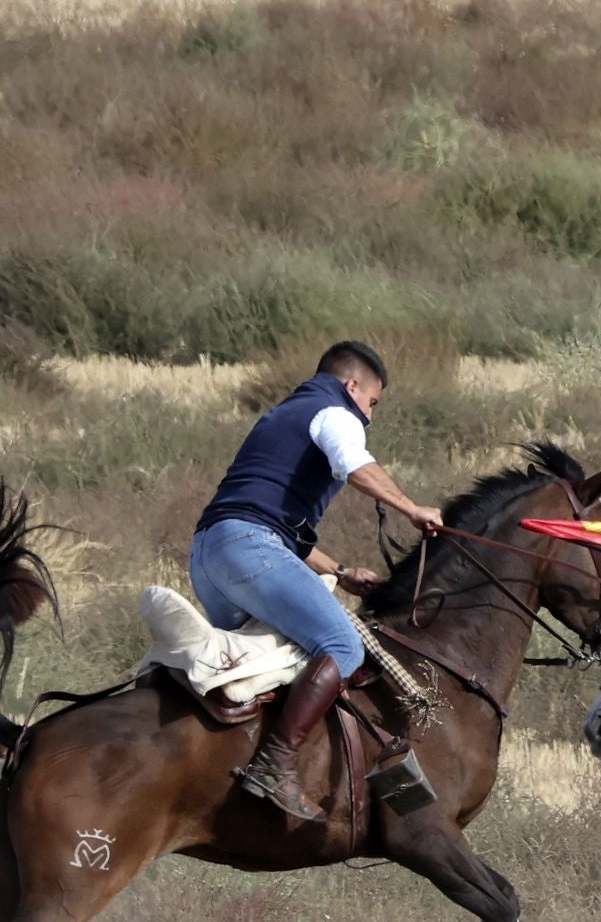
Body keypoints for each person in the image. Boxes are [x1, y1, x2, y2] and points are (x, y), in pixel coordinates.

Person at [190, 341, 443, 820]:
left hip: (210, 555)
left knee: (262, 671)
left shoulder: (283, 416)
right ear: (353, 386)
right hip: (249, 548)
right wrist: (411, 508)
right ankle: (274, 766)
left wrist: (340, 572)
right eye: (373, 403)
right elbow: (355, 466)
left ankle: (241, 764)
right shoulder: (335, 412)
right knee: (342, 646)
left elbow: (282, 528)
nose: (370, 416)